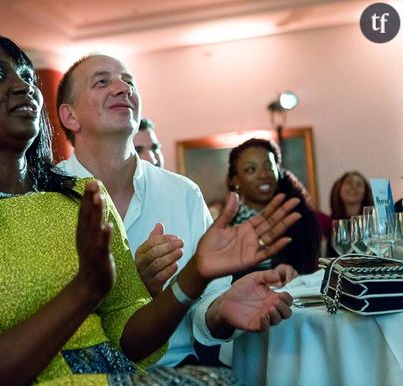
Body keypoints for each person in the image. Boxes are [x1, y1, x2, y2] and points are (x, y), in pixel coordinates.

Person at [0, 35, 300, 386]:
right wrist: (86, 288)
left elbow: (129, 337)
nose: (24, 87)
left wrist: (194, 274)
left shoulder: (79, 196)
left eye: (28, 77)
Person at [56, 54, 301, 368]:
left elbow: (208, 304)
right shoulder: (46, 195)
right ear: (70, 116)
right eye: (102, 81)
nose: (122, 88)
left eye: (128, 81)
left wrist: (223, 309)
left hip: (175, 369)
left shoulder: (183, 193)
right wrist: (133, 282)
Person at [226, 138, 320, 278]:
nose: (263, 175)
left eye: (268, 166)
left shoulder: (299, 217)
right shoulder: (229, 229)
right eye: (251, 169)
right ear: (235, 180)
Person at [327, 171, 373, 256]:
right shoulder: (328, 224)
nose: (353, 187)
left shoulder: (372, 223)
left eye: (359, 185)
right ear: (339, 188)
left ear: (365, 192)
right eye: (349, 183)